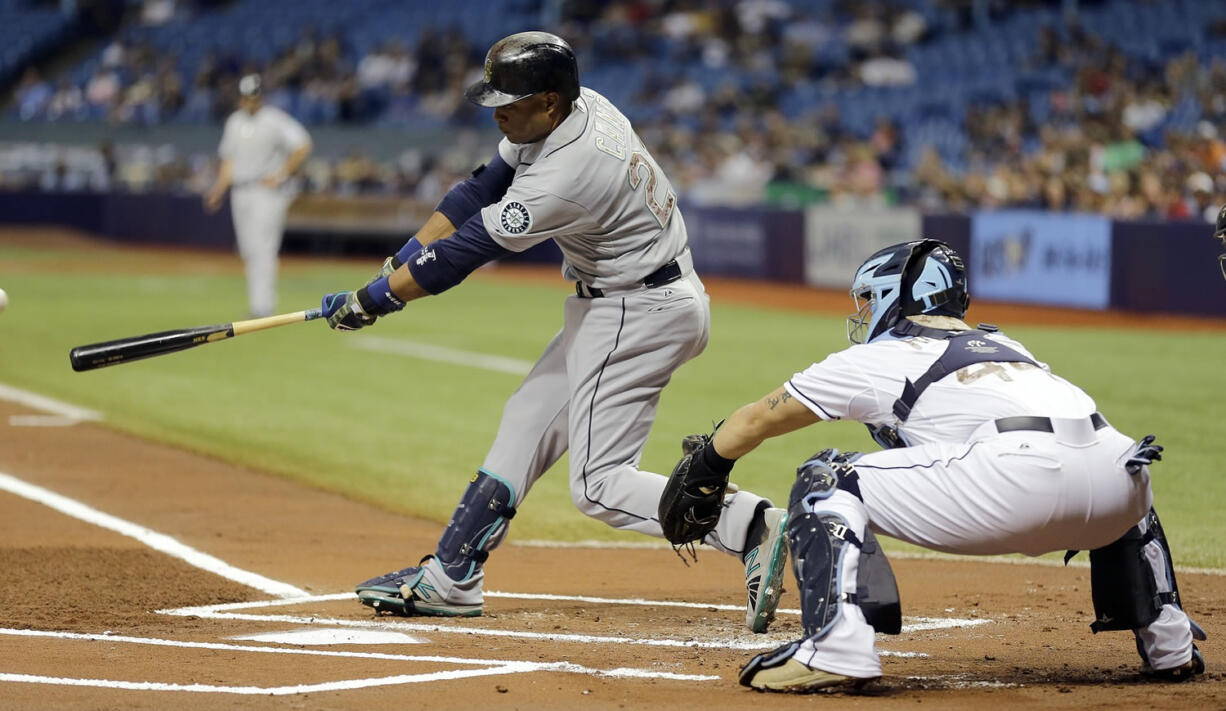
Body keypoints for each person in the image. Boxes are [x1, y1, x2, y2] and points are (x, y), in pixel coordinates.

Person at [319, 31, 789, 633]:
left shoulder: (570, 171)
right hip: (631, 300)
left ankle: (749, 524)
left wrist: (374, 299)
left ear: (547, 101)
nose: (498, 112)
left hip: (635, 310)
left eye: (508, 102)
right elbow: (480, 188)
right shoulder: (574, 107)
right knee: (528, 417)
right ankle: (452, 575)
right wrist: (403, 256)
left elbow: (468, 249)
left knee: (599, 486)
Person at [664, 239, 1206, 691]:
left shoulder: (881, 355)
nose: (862, 313)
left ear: (897, 296)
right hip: (1122, 481)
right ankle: (1170, 644)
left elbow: (759, 418)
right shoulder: (1004, 344)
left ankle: (836, 646)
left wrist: (711, 464)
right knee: (1117, 460)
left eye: (868, 299)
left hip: (1017, 480)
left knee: (826, 479)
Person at [204, 74, 312, 318]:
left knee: (263, 248)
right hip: (240, 190)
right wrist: (219, 189)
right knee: (247, 249)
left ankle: (263, 306)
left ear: (260, 97)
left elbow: (303, 144)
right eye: (246, 97)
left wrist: (282, 173)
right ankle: (259, 303)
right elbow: (229, 160)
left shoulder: (274, 120)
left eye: (254, 97)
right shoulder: (234, 122)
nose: (250, 102)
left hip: (267, 192)